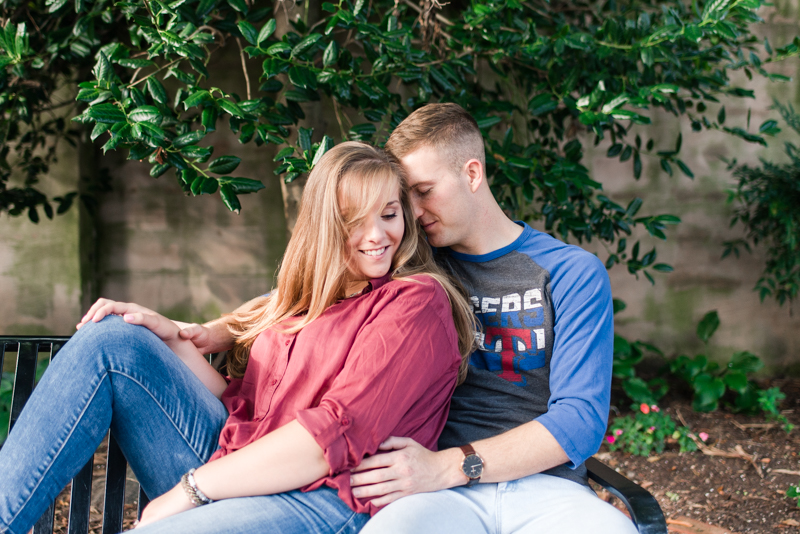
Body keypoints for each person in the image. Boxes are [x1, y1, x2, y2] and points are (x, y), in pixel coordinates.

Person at [0, 142, 477, 534]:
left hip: (325, 496)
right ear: (327, 224)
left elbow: (327, 438)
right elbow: (243, 408)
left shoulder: (415, 302)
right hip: (241, 464)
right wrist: (170, 341)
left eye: (389, 215)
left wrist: (188, 492)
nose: (377, 235)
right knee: (113, 339)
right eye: (355, 219)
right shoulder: (312, 297)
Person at [344, 103, 640, 533]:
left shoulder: (570, 272)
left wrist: (449, 465)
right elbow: (313, 292)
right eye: (404, 196)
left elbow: (579, 421)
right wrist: (227, 329)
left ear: (471, 174)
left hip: (547, 490)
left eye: (423, 191)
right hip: (439, 499)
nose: (413, 210)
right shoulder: (412, 267)